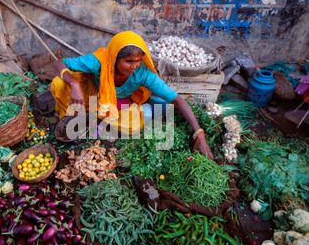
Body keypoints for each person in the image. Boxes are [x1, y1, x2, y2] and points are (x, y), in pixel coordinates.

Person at [51, 31, 214, 159]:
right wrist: (73, 84)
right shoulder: (100, 60)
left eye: (138, 60)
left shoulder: (142, 73)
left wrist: (199, 134)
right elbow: (59, 63)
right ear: (115, 58)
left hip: (114, 103)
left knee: (134, 126)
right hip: (91, 95)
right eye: (129, 61)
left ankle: (94, 119)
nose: (134, 66)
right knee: (59, 84)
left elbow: (177, 100)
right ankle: (86, 117)